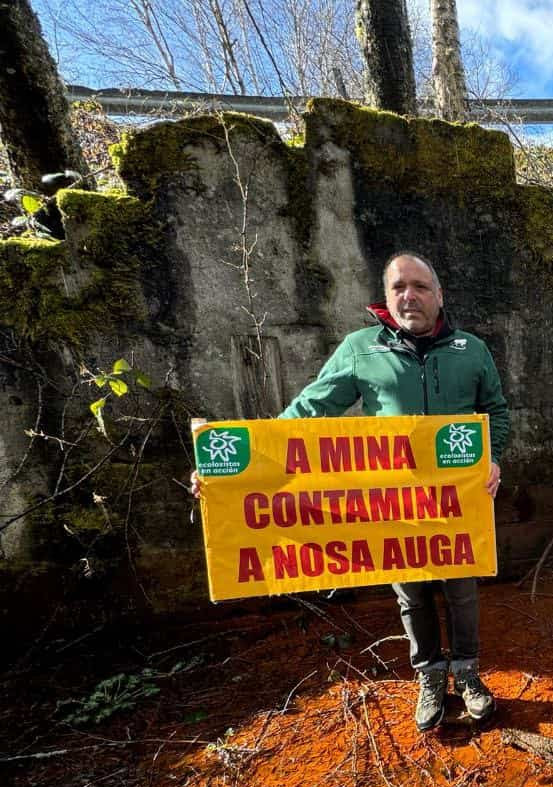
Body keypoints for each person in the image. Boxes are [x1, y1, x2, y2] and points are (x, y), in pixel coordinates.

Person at [194, 252, 510, 731]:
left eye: (421, 286)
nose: (410, 296)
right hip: (394, 503)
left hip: (457, 501)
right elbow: (306, 415)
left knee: (462, 591)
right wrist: (236, 474)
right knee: (412, 593)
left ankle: (467, 673)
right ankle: (429, 676)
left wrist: (492, 457)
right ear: (385, 297)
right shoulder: (360, 348)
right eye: (399, 287)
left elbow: (497, 412)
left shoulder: (472, 349)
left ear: (439, 295)